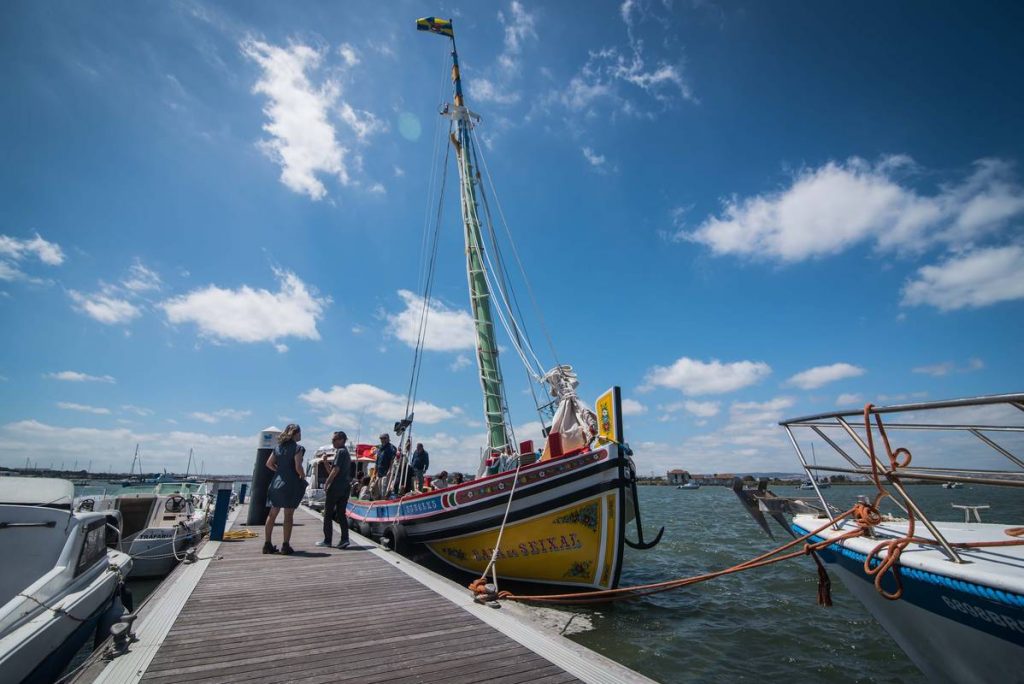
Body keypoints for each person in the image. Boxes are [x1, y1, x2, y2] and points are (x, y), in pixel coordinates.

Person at [264, 424, 308, 555]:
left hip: (276, 483)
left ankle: (267, 544)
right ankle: (285, 545)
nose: (301, 435)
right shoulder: (298, 448)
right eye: (300, 433)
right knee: (288, 515)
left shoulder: (278, 447)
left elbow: (268, 463)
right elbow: (298, 466)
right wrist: (303, 476)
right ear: (295, 434)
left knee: (272, 514)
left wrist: (279, 470)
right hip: (290, 484)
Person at [317, 431, 351, 549]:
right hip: (345, 487)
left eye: (334, 439)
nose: (332, 442)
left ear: (341, 440)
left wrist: (327, 483)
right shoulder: (345, 452)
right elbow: (332, 470)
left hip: (337, 487)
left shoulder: (341, 452)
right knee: (341, 514)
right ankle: (345, 539)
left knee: (328, 513)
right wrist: (326, 462)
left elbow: (335, 471)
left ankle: (327, 540)